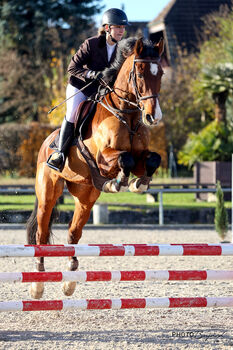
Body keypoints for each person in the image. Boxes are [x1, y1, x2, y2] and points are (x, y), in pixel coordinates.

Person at [47, 8, 130, 172]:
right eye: (118, 27)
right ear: (107, 28)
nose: (122, 30)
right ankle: (59, 154)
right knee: (72, 113)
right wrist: (92, 74)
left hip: (100, 92)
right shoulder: (91, 44)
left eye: (123, 27)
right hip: (80, 87)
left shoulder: (122, 50)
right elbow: (72, 67)